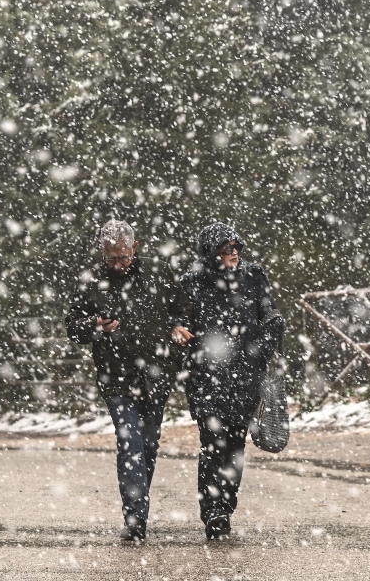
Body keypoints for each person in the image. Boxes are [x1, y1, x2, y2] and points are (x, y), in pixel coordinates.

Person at [65, 219, 194, 541]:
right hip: (116, 378)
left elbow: (182, 310)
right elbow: (73, 327)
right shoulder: (92, 281)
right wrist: (95, 325)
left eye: (123, 256)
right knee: (130, 443)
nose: (118, 264)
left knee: (147, 445)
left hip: (157, 373)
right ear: (102, 252)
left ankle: (137, 511)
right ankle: (136, 518)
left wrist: (178, 328)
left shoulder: (159, 272)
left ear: (135, 248)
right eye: (111, 258)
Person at [180, 222, 284, 540]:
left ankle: (226, 505)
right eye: (227, 248)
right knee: (213, 443)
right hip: (206, 377)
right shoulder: (193, 281)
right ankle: (213, 511)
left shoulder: (254, 276)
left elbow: (272, 318)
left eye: (237, 246)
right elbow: (177, 319)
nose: (234, 252)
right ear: (211, 252)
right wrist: (179, 332)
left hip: (245, 376)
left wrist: (259, 350)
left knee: (236, 444)